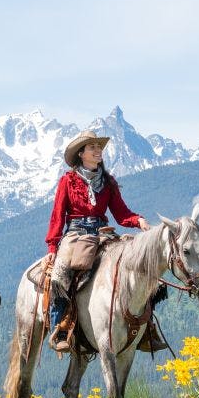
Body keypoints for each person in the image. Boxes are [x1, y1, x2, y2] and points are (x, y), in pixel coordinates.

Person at [44, 130, 153, 353]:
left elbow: (121, 214)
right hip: (75, 234)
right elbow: (57, 215)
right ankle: (60, 329)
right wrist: (53, 247)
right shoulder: (68, 181)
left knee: (137, 266)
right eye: (92, 147)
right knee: (59, 275)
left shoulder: (108, 182)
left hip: (102, 231)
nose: (97, 150)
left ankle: (146, 328)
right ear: (81, 154)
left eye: (98, 147)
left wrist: (138, 220)